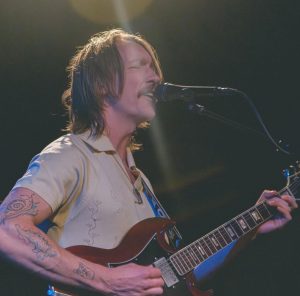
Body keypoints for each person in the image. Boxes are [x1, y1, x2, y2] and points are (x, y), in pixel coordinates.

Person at [0, 29, 297, 296]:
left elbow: (176, 278)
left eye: (153, 65)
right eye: (138, 65)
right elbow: (7, 229)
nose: (155, 77)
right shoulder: (72, 154)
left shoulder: (142, 183)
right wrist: (108, 281)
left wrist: (252, 228)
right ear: (101, 83)